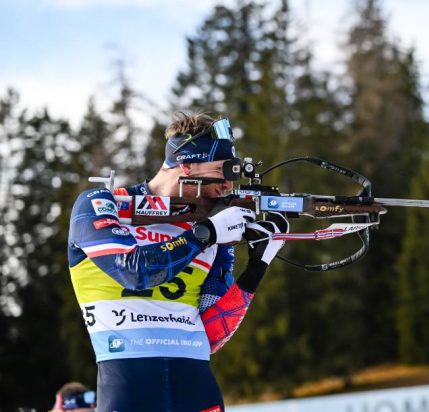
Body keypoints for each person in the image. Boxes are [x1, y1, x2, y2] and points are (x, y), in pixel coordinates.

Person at [67, 112, 286, 411]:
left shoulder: (213, 225)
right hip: (129, 384)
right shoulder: (103, 204)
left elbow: (212, 335)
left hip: (197, 386)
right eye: (222, 170)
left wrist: (257, 266)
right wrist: (204, 235)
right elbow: (135, 272)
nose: (228, 184)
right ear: (187, 165)